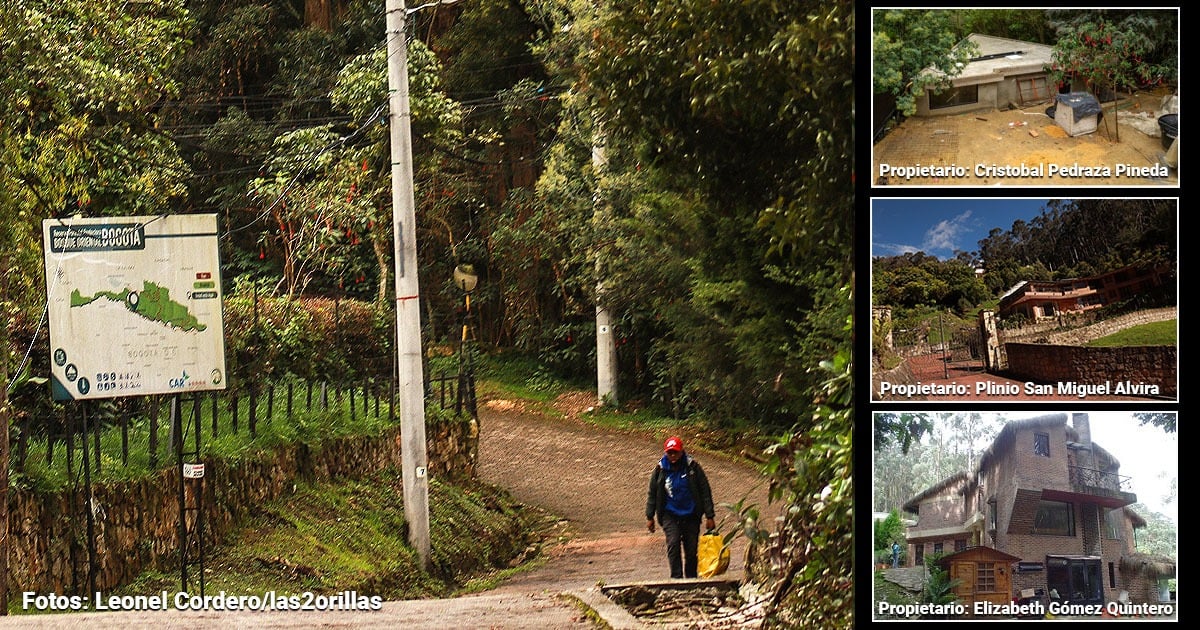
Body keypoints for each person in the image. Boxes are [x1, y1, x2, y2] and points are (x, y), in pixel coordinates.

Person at [645, 436, 716, 579]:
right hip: (669, 515)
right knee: (673, 544)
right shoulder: (660, 470)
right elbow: (653, 493)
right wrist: (649, 516)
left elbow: (704, 491)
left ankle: (691, 579)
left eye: (675, 453)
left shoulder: (693, 467)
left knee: (691, 551)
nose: (672, 456)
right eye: (669, 453)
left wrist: (709, 515)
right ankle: (676, 578)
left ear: (681, 451)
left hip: (691, 515)